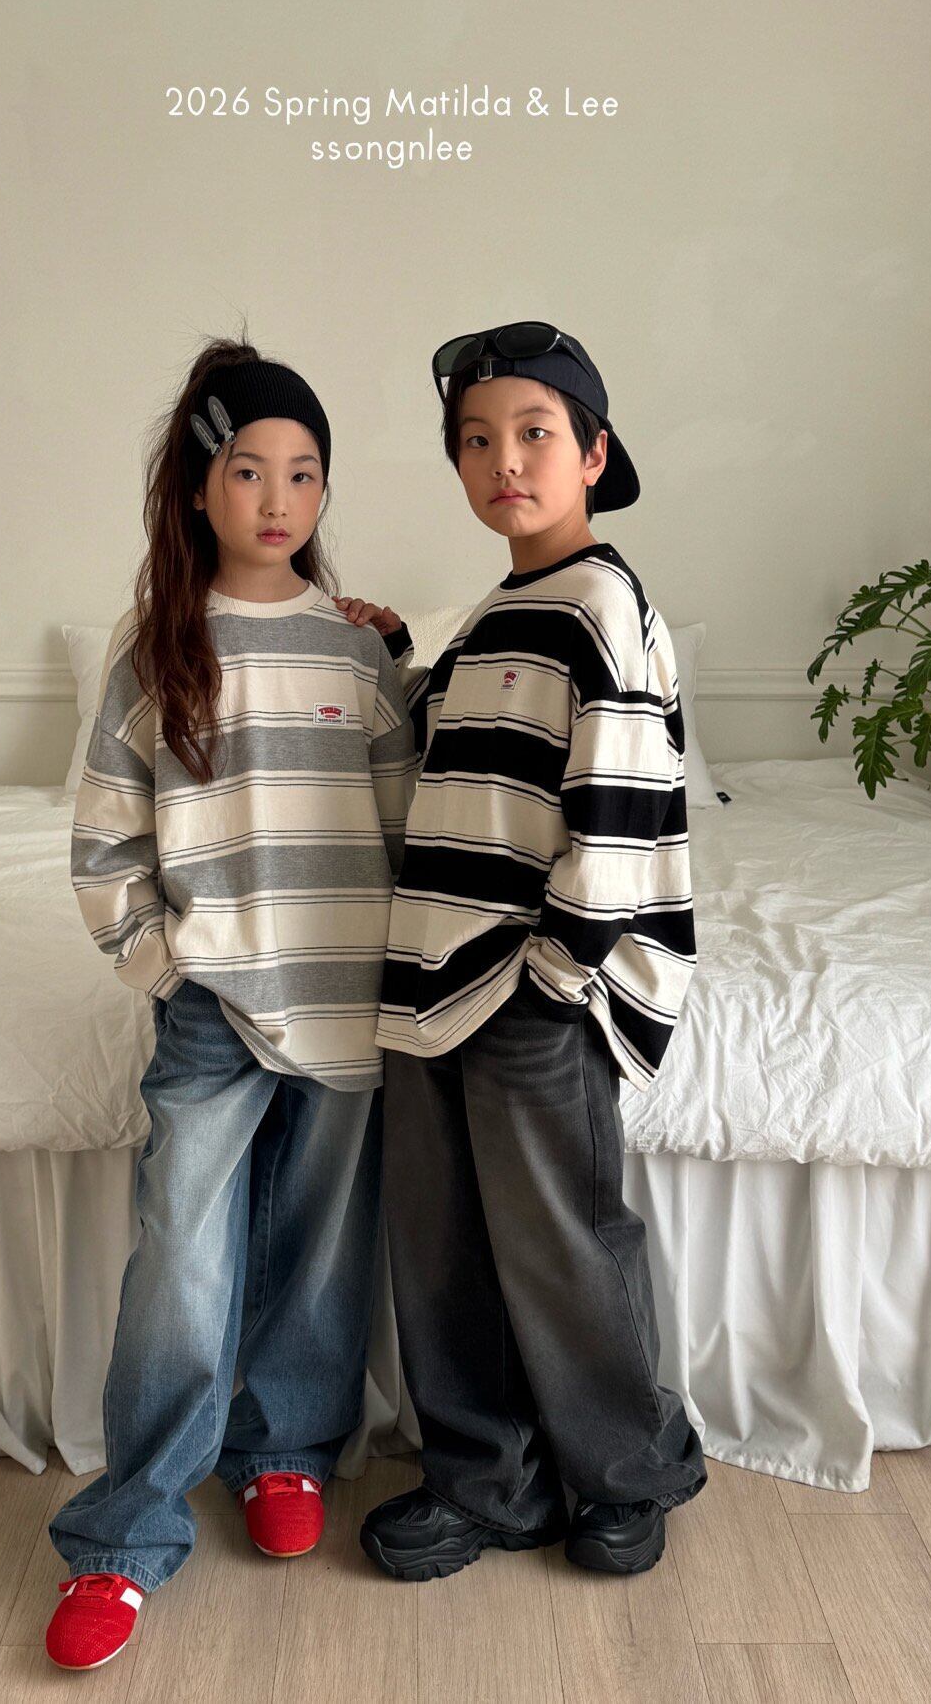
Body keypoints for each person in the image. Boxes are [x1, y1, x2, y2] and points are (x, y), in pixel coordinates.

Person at [44, 336, 414, 1671]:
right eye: (250, 469)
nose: (277, 498)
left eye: (304, 473)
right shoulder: (157, 652)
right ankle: (125, 1533)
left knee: (319, 1244)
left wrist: (402, 651)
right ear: (200, 486)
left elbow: (407, 820)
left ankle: (289, 1447)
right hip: (213, 1005)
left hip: (347, 1000)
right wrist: (163, 965)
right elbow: (105, 842)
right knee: (181, 1264)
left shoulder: (359, 651)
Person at [334, 320, 707, 1583]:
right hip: (429, 977)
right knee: (439, 1248)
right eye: (476, 441)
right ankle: (484, 1480)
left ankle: (627, 1471)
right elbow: (447, 761)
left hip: (530, 983)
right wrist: (395, 657)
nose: (504, 461)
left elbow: (616, 807)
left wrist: (559, 971)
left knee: (562, 1244)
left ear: (593, 454)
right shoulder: (498, 614)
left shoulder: (602, 606)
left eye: (534, 434)